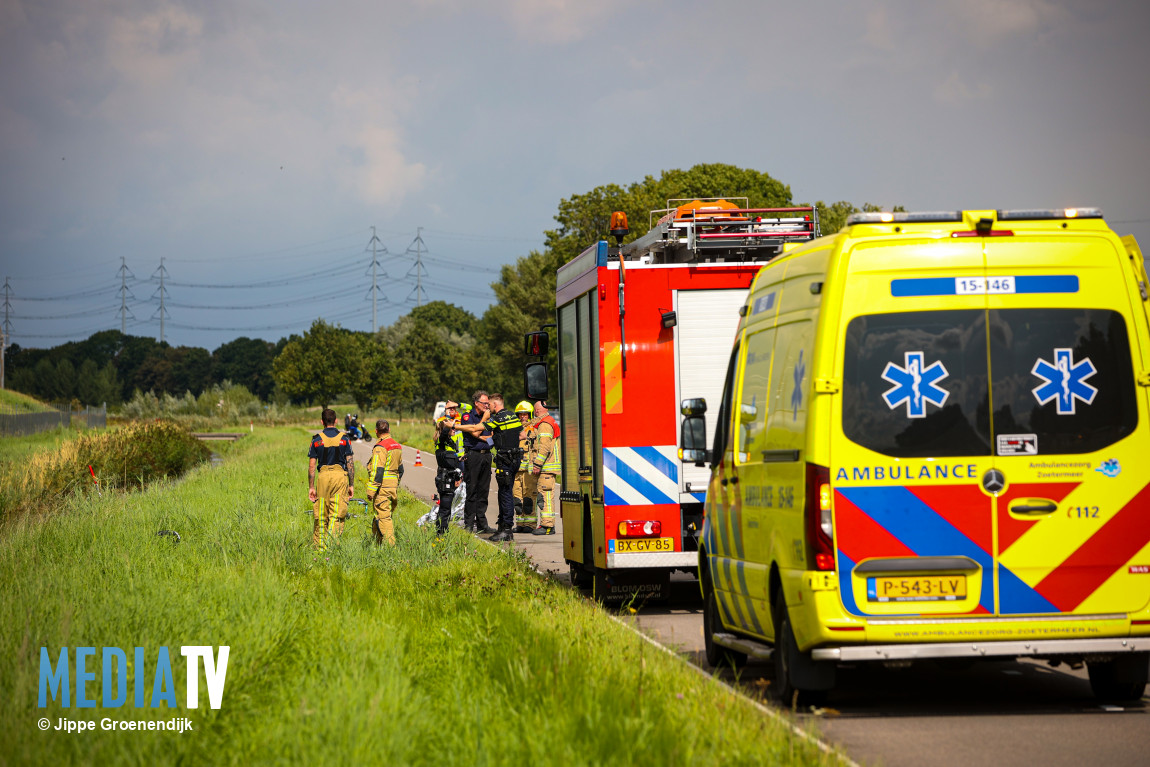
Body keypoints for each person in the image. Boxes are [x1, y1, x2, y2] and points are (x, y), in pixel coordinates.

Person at [308, 408, 354, 550]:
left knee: (321, 512)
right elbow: (350, 463)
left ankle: (320, 547)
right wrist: (351, 484)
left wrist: (311, 487)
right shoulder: (344, 438)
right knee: (337, 513)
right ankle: (331, 546)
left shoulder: (316, 439)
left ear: (322, 422)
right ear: (336, 421)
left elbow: (311, 466)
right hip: (340, 477)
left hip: (322, 477)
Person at [485, 393, 523, 542]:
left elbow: (480, 427)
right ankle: (502, 527)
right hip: (514, 458)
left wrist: (455, 426)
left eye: (489, 404)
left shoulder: (497, 418)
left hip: (505, 460)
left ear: (495, 404)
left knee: (505, 494)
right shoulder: (513, 416)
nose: (488, 407)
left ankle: (506, 529)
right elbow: (523, 435)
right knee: (503, 493)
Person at [456, 390, 495, 534]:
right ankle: (469, 523)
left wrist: (484, 435)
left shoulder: (490, 417)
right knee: (472, 489)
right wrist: (484, 419)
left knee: (483, 490)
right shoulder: (468, 416)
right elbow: (476, 433)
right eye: (484, 403)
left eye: (488, 403)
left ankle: (482, 523)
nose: (487, 405)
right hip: (474, 455)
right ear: (476, 403)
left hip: (486, 455)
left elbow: (492, 435)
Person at [365, 418, 403, 546]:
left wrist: (371, 490)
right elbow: (401, 469)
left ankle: (390, 547)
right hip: (393, 486)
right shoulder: (396, 445)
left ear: (376, 431)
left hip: (382, 487)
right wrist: (395, 483)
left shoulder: (380, 447)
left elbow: (377, 471)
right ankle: (377, 543)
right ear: (389, 430)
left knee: (384, 518)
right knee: (380, 515)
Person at [432, 401, 465, 535]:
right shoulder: (441, 440)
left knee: (447, 508)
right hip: (445, 478)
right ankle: (441, 533)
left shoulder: (449, 443)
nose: (454, 430)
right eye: (452, 429)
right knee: (445, 508)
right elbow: (445, 432)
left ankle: (442, 530)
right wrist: (446, 416)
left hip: (450, 477)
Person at [530, 400, 561, 535]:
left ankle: (547, 526)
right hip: (548, 467)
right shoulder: (549, 421)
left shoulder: (545, 424)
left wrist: (537, 464)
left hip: (546, 468)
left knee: (545, 497)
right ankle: (547, 525)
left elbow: (544, 447)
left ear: (537, 411)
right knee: (545, 496)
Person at [512, 400, 537, 533]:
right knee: (517, 499)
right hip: (516, 469)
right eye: (520, 414)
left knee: (528, 498)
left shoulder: (533, 429)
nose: (522, 417)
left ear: (530, 414)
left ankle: (530, 525)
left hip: (528, 470)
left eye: (525, 414)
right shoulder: (515, 428)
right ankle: (520, 524)